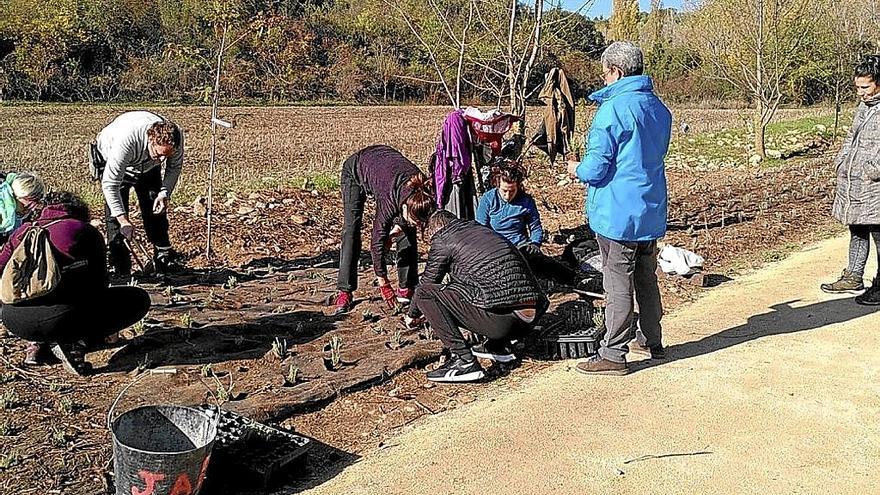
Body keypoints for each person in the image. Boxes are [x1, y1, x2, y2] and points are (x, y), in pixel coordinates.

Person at [566, 41, 672, 375]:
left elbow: (596, 168)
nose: (604, 79)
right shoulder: (658, 108)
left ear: (616, 71)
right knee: (646, 278)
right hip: (648, 208)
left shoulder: (611, 110)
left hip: (617, 214)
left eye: (605, 73)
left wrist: (575, 169)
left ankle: (612, 354)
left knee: (617, 284)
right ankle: (652, 341)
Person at [0, 192, 151, 374]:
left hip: (14, 318)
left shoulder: (21, 231)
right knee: (137, 299)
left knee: (43, 302)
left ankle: (38, 343)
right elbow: (99, 284)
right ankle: (74, 342)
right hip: (61, 316)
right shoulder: (82, 230)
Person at [406, 210, 548, 383]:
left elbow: (427, 283)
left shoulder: (443, 239)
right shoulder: (482, 231)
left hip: (502, 323)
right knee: (481, 287)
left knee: (425, 294)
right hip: (530, 319)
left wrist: (412, 314)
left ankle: (464, 361)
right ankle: (497, 347)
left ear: (434, 231)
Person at [333, 145, 435, 316]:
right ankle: (345, 291)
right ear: (403, 207)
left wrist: (396, 233)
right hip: (356, 169)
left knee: (408, 231)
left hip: (386, 168)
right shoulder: (388, 200)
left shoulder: (423, 194)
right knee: (351, 230)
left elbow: (408, 223)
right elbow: (376, 242)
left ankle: (406, 287)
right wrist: (384, 283)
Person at [91, 111, 185, 277]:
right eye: (159, 155)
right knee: (115, 217)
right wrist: (124, 221)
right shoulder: (126, 142)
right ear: (151, 140)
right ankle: (120, 267)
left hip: (146, 164)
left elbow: (174, 168)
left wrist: (164, 193)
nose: (162, 160)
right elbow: (110, 185)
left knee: (155, 205)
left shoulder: (174, 140)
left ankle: (163, 256)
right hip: (111, 158)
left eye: (166, 156)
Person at [822, 55, 880, 306]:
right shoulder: (864, 107)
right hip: (855, 182)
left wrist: (872, 170)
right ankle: (853, 275)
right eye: (857, 87)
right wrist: (842, 160)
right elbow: (851, 137)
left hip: (875, 184)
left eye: (865, 87)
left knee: (879, 235)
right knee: (857, 227)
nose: (860, 93)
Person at [475, 161, 582, 288]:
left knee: (546, 264)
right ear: (498, 184)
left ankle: (576, 280)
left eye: (512, 191)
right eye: (504, 191)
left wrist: (535, 243)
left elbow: (535, 227)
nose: (508, 195)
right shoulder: (488, 199)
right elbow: (481, 230)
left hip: (521, 246)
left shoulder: (526, 201)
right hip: (496, 247)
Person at [0, 172, 46, 244]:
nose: (32, 208)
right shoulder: (2, 210)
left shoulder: (24, 216)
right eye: (28, 203)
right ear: (16, 196)